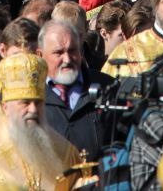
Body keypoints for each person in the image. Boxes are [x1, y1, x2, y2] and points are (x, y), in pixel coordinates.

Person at [0, 52, 80, 187]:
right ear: (5, 107)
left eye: (38, 102)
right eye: (25, 102)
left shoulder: (66, 153)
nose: (33, 110)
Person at [37, 19, 110, 161]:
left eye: (72, 51)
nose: (67, 59)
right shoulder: (30, 94)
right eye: (58, 53)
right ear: (40, 55)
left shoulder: (106, 86)